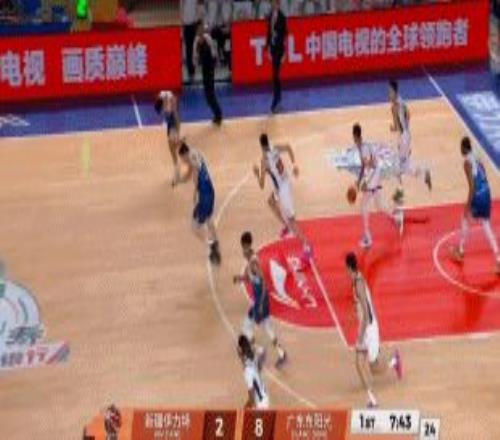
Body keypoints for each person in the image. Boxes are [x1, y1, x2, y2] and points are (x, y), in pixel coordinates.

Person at [345, 252, 402, 408]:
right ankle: (371, 399)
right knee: (361, 365)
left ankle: (394, 361)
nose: (345, 271)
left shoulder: (358, 284)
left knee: (373, 368)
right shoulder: (356, 280)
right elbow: (361, 306)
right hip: (365, 328)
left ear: (349, 268)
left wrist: (360, 335)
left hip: (369, 329)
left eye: (345, 268)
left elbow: (365, 311)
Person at [254, 133, 312, 264]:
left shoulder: (264, 161)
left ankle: (307, 247)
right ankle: (285, 225)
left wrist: (257, 173)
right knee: (271, 202)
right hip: (283, 183)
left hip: (283, 188)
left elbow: (261, 185)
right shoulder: (274, 147)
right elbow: (288, 147)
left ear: (261, 146)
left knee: (292, 221)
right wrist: (294, 164)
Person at [233, 231, 287, 368]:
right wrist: (240, 278)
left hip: (260, 301)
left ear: (246, 246)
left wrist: (261, 304)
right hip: (261, 301)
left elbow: (264, 284)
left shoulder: (253, 263)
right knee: (267, 327)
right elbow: (250, 279)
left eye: (243, 247)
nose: (242, 251)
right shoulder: (250, 262)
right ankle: (281, 353)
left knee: (246, 327)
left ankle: (260, 351)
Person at [451, 137, 499, 274]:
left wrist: (467, 205)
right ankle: (498, 258)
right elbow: (484, 176)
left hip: (478, 194)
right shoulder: (477, 157)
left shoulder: (466, 163)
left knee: (465, 218)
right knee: (486, 225)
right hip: (487, 192)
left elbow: (472, 186)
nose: (460, 150)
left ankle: (460, 251)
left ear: (464, 148)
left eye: (461, 147)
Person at [353, 123, 403, 249]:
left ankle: (368, 238)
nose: (353, 140)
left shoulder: (364, 148)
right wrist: (359, 181)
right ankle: (396, 218)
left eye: (353, 137)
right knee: (379, 206)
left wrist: (366, 182)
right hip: (375, 175)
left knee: (363, 207)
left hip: (374, 176)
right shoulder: (362, 146)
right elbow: (364, 166)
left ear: (356, 136)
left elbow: (371, 166)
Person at [172, 142, 221, 265]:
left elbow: (194, 170)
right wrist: (178, 181)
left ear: (184, 155)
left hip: (204, 197)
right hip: (210, 192)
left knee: (194, 227)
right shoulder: (196, 153)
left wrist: (195, 192)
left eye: (182, 159)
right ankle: (215, 242)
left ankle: (211, 246)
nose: (183, 161)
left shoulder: (191, 159)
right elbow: (190, 175)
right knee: (209, 218)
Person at [388, 80, 432, 205]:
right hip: (405, 136)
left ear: (395, 91)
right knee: (405, 167)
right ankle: (424, 171)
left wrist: (395, 128)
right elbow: (408, 115)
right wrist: (404, 127)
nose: (388, 94)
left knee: (398, 168)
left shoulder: (395, 106)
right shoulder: (401, 102)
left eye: (390, 91)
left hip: (403, 138)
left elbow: (398, 125)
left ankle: (399, 195)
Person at [194, 20, 223, 125]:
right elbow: (195, 57)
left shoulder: (208, 38)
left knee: (210, 93)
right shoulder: (196, 42)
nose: (201, 30)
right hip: (204, 70)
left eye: (202, 28)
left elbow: (214, 52)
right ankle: (217, 114)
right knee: (207, 96)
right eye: (199, 28)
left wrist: (215, 64)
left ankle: (218, 115)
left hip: (210, 68)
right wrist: (197, 63)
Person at [237, 334, 270, 409]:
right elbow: (264, 352)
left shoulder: (247, 371)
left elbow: (252, 396)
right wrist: (254, 346)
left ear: (241, 352)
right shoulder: (254, 359)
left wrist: (247, 408)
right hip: (264, 398)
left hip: (260, 405)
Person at [154, 90, 181, 179]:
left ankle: (177, 169)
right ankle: (176, 167)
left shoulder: (170, 108)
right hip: (170, 126)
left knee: (173, 145)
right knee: (172, 148)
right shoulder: (165, 106)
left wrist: (178, 129)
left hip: (174, 126)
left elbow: (176, 118)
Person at [266, 0, 287, 113]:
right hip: (273, 48)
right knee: (275, 76)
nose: (273, 5)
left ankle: (276, 100)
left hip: (279, 49)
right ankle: (278, 98)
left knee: (276, 75)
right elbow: (268, 33)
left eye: (275, 3)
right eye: (272, 3)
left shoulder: (282, 17)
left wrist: (284, 52)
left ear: (278, 4)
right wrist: (267, 47)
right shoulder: (270, 16)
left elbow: (285, 35)